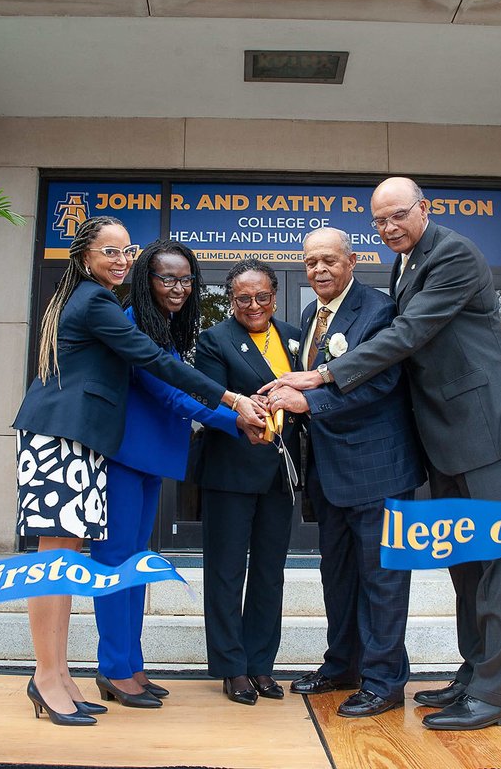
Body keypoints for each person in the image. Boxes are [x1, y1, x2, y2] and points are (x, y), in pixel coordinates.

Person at [265, 178, 501, 731]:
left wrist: (325, 374)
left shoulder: (453, 253)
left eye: (398, 217)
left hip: (486, 429)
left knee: (498, 566)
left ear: (423, 210)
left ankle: (496, 697)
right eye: (380, 221)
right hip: (446, 438)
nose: (389, 228)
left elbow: (411, 332)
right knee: (466, 565)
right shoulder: (405, 263)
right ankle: (474, 672)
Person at [12, 217, 264, 726]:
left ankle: (62, 676)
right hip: (69, 437)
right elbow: (158, 372)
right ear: (84, 255)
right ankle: (66, 674)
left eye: (127, 251)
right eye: (112, 251)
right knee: (64, 565)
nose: (122, 260)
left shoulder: (93, 300)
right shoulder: (103, 304)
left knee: (78, 564)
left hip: (84, 440)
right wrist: (232, 403)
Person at [269, 228, 425, 718]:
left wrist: (306, 401)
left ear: (352, 261)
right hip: (329, 474)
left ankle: (383, 680)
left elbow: (380, 382)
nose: (318, 270)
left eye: (329, 260)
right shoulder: (311, 317)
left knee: (382, 579)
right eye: (311, 261)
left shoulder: (378, 311)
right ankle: (342, 665)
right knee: (336, 576)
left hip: (378, 468)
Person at [92, 239, 253, 707]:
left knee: (135, 564)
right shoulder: (132, 323)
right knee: (114, 566)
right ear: (146, 279)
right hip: (122, 458)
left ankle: (132, 666)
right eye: (167, 278)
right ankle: (114, 668)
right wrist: (236, 417)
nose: (179, 287)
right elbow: (170, 395)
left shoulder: (162, 326)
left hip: (147, 460)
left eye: (186, 279)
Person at [193, 258, 302, 706]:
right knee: (225, 571)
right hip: (231, 471)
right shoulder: (214, 340)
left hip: (281, 474)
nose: (253, 305)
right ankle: (232, 668)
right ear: (230, 299)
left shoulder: (295, 337)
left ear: (274, 297)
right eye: (243, 298)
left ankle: (260, 664)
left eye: (261, 297)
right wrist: (241, 416)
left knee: (269, 573)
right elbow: (209, 398)